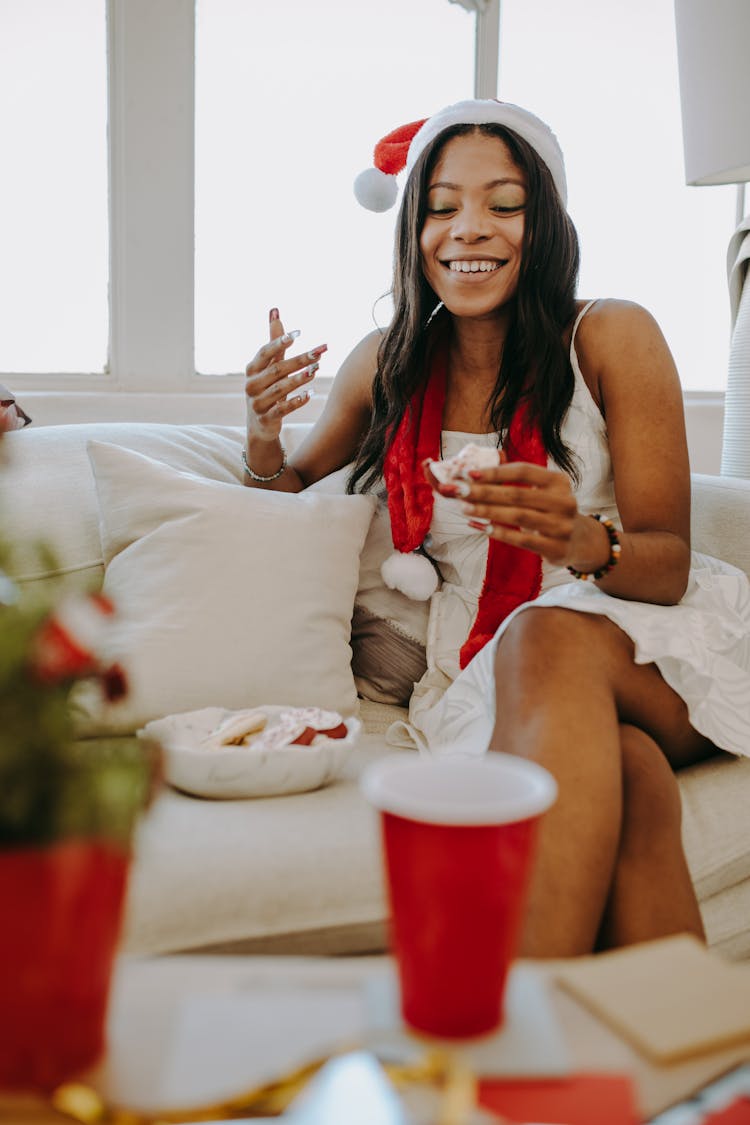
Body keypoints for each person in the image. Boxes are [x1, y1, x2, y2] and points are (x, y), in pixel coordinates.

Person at [242, 99, 750, 957]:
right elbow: (283, 492)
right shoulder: (388, 362)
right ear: (414, 228)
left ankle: (510, 1026)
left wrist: (581, 539)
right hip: (488, 676)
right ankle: (683, 1048)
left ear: (544, 220)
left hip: (648, 641)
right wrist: (260, 436)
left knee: (544, 635)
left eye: (503, 203)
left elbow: (665, 564)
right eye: (441, 205)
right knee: (629, 775)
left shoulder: (612, 336)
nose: (468, 229)